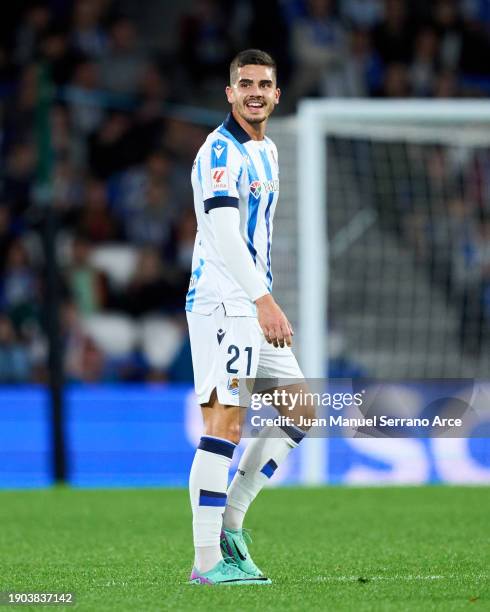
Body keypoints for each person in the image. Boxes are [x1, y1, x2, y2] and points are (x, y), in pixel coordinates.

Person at [186, 49, 313, 586]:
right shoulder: (219, 151)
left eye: (265, 83)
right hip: (222, 303)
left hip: (251, 302)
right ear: (230, 93)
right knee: (224, 425)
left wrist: (260, 298)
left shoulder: (270, 150)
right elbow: (222, 233)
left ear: (277, 94)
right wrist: (264, 301)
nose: (256, 91)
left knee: (301, 409)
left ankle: (231, 523)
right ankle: (206, 563)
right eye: (246, 84)